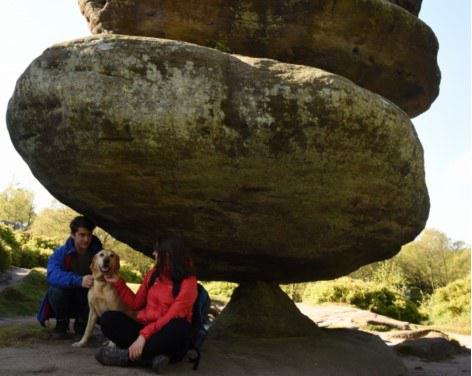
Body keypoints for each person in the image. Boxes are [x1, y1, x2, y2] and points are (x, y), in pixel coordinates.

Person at [95, 235, 197, 374]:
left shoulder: (189, 282)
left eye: (156, 251)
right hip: (145, 329)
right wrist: (119, 283)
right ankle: (153, 359)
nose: (153, 253)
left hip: (166, 334)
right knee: (108, 319)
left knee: (180, 326)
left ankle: (127, 357)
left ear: (167, 255)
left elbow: (171, 316)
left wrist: (143, 336)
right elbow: (136, 304)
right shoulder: (152, 274)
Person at [37, 215, 102, 339]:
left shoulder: (99, 254)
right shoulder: (61, 252)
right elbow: (52, 275)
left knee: (99, 291)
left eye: (89, 235)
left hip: (87, 299)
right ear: (73, 235)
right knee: (54, 290)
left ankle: (81, 326)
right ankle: (62, 325)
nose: (87, 239)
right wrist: (79, 280)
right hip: (66, 296)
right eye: (82, 235)